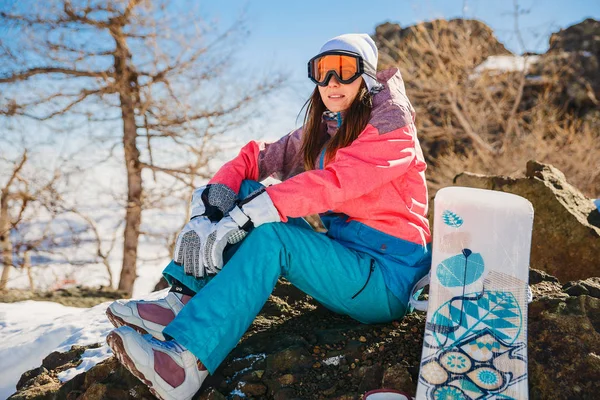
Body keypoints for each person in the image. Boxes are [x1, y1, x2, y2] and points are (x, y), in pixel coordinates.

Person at [105, 33, 432, 400]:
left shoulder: (392, 127)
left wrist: (248, 216)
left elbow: (336, 183)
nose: (332, 82)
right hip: (347, 262)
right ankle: (184, 300)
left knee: (272, 236)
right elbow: (258, 157)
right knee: (244, 191)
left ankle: (186, 364)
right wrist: (213, 205)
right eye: (322, 71)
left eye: (344, 70)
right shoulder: (328, 127)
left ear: (367, 77)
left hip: (386, 278)